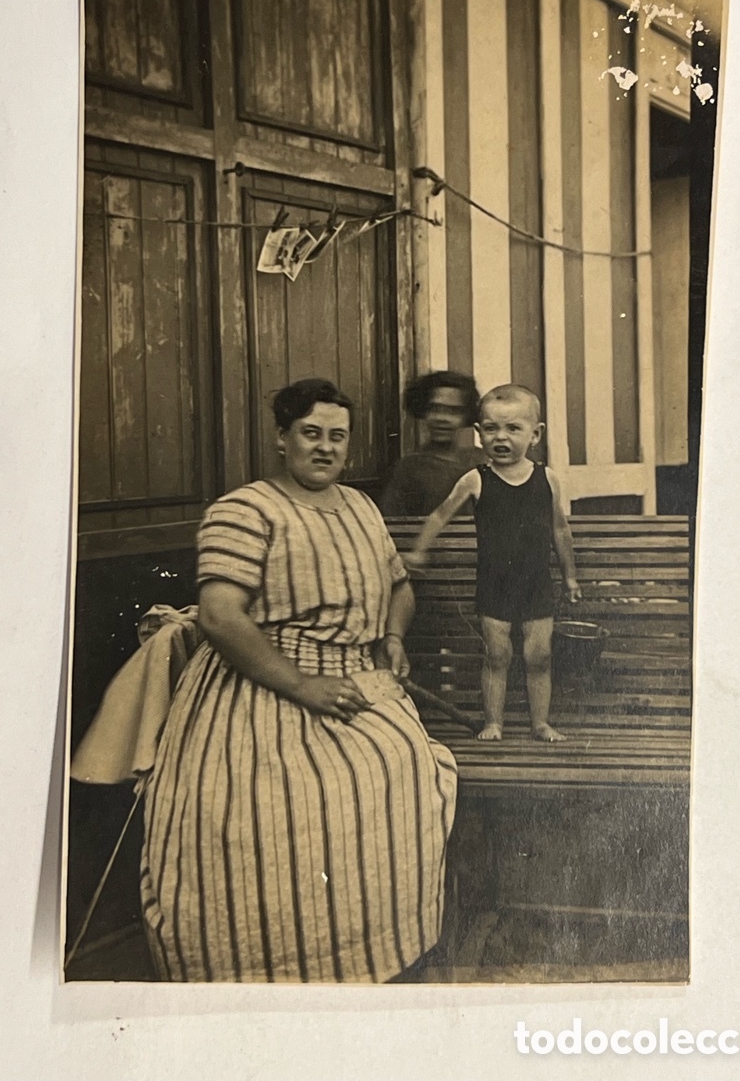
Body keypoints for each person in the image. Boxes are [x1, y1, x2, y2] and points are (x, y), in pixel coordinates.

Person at [140, 378, 457, 983]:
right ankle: (275, 972)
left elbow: (399, 587)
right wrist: (302, 686)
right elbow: (220, 617)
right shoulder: (243, 510)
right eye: (311, 434)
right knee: (273, 814)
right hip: (258, 688)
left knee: (404, 770)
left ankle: (378, 953)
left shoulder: (361, 507)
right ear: (282, 438)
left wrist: (391, 638)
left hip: (355, 680)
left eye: (337, 437)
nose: (325, 448)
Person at [403, 384, 581, 743]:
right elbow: (439, 516)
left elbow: (560, 531)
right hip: (494, 584)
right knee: (497, 655)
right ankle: (493, 723)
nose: (500, 437)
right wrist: (419, 550)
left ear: (536, 434)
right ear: (479, 433)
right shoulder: (476, 479)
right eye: (490, 428)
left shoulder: (547, 479)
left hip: (536, 584)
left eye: (513, 429)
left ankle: (540, 723)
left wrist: (571, 577)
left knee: (539, 656)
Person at [380, 370, 484, 516]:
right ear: (422, 411)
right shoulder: (407, 470)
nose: (442, 418)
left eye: (453, 411)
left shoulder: (482, 460)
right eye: (434, 409)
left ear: (466, 416)